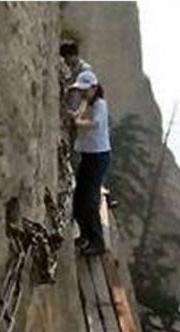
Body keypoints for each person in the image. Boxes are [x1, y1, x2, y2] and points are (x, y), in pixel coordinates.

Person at [69, 70, 111, 256]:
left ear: (94, 88)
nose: (83, 93)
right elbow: (78, 115)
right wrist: (72, 116)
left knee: (90, 200)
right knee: (78, 198)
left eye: (86, 90)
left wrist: (77, 123)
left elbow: (95, 124)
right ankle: (85, 235)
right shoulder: (88, 102)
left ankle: (97, 242)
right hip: (88, 155)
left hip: (98, 156)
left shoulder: (100, 105)